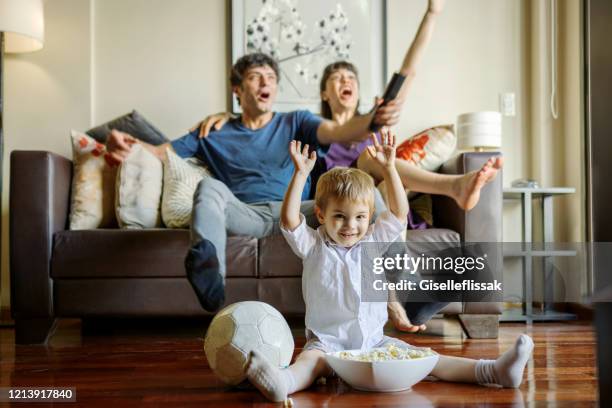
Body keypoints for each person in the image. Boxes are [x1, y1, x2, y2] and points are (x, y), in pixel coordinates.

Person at [194, 0, 502, 331]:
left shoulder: (373, 126)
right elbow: (265, 130)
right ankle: (448, 199)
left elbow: (406, 74)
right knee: (368, 168)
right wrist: (228, 118)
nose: (346, 80)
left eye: (351, 76)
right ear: (324, 92)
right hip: (330, 201)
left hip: (372, 195)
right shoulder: (311, 130)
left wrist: (432, 14)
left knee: (372, 165)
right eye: (337, 76)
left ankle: (406, 293)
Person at [244, 130, 533, 403]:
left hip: (375, 344)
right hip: (327, 345)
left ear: (369, 217)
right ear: (320, 214)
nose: (350, 226)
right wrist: (300, 174)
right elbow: (289, 221)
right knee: (309, 363)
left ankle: (493, 371)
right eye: (340, 217)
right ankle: (283, 383)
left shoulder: (374, 241)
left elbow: (398, 211)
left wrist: (390, 168)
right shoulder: (313, 245)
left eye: (359, 217)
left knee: (427, 359)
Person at [105, 52, 404, 312]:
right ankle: (210, 277)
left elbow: (338, 132)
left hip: (301, 212)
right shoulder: (212, 131)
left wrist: (371, 121)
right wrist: (122, 144)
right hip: (246, 214)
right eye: (255, 77)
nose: (265, 83)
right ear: (237, 89)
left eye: (271, 77)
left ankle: (407, 290)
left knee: (370, 197)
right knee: (208, 188)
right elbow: (160, 152)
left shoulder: (297, 121)